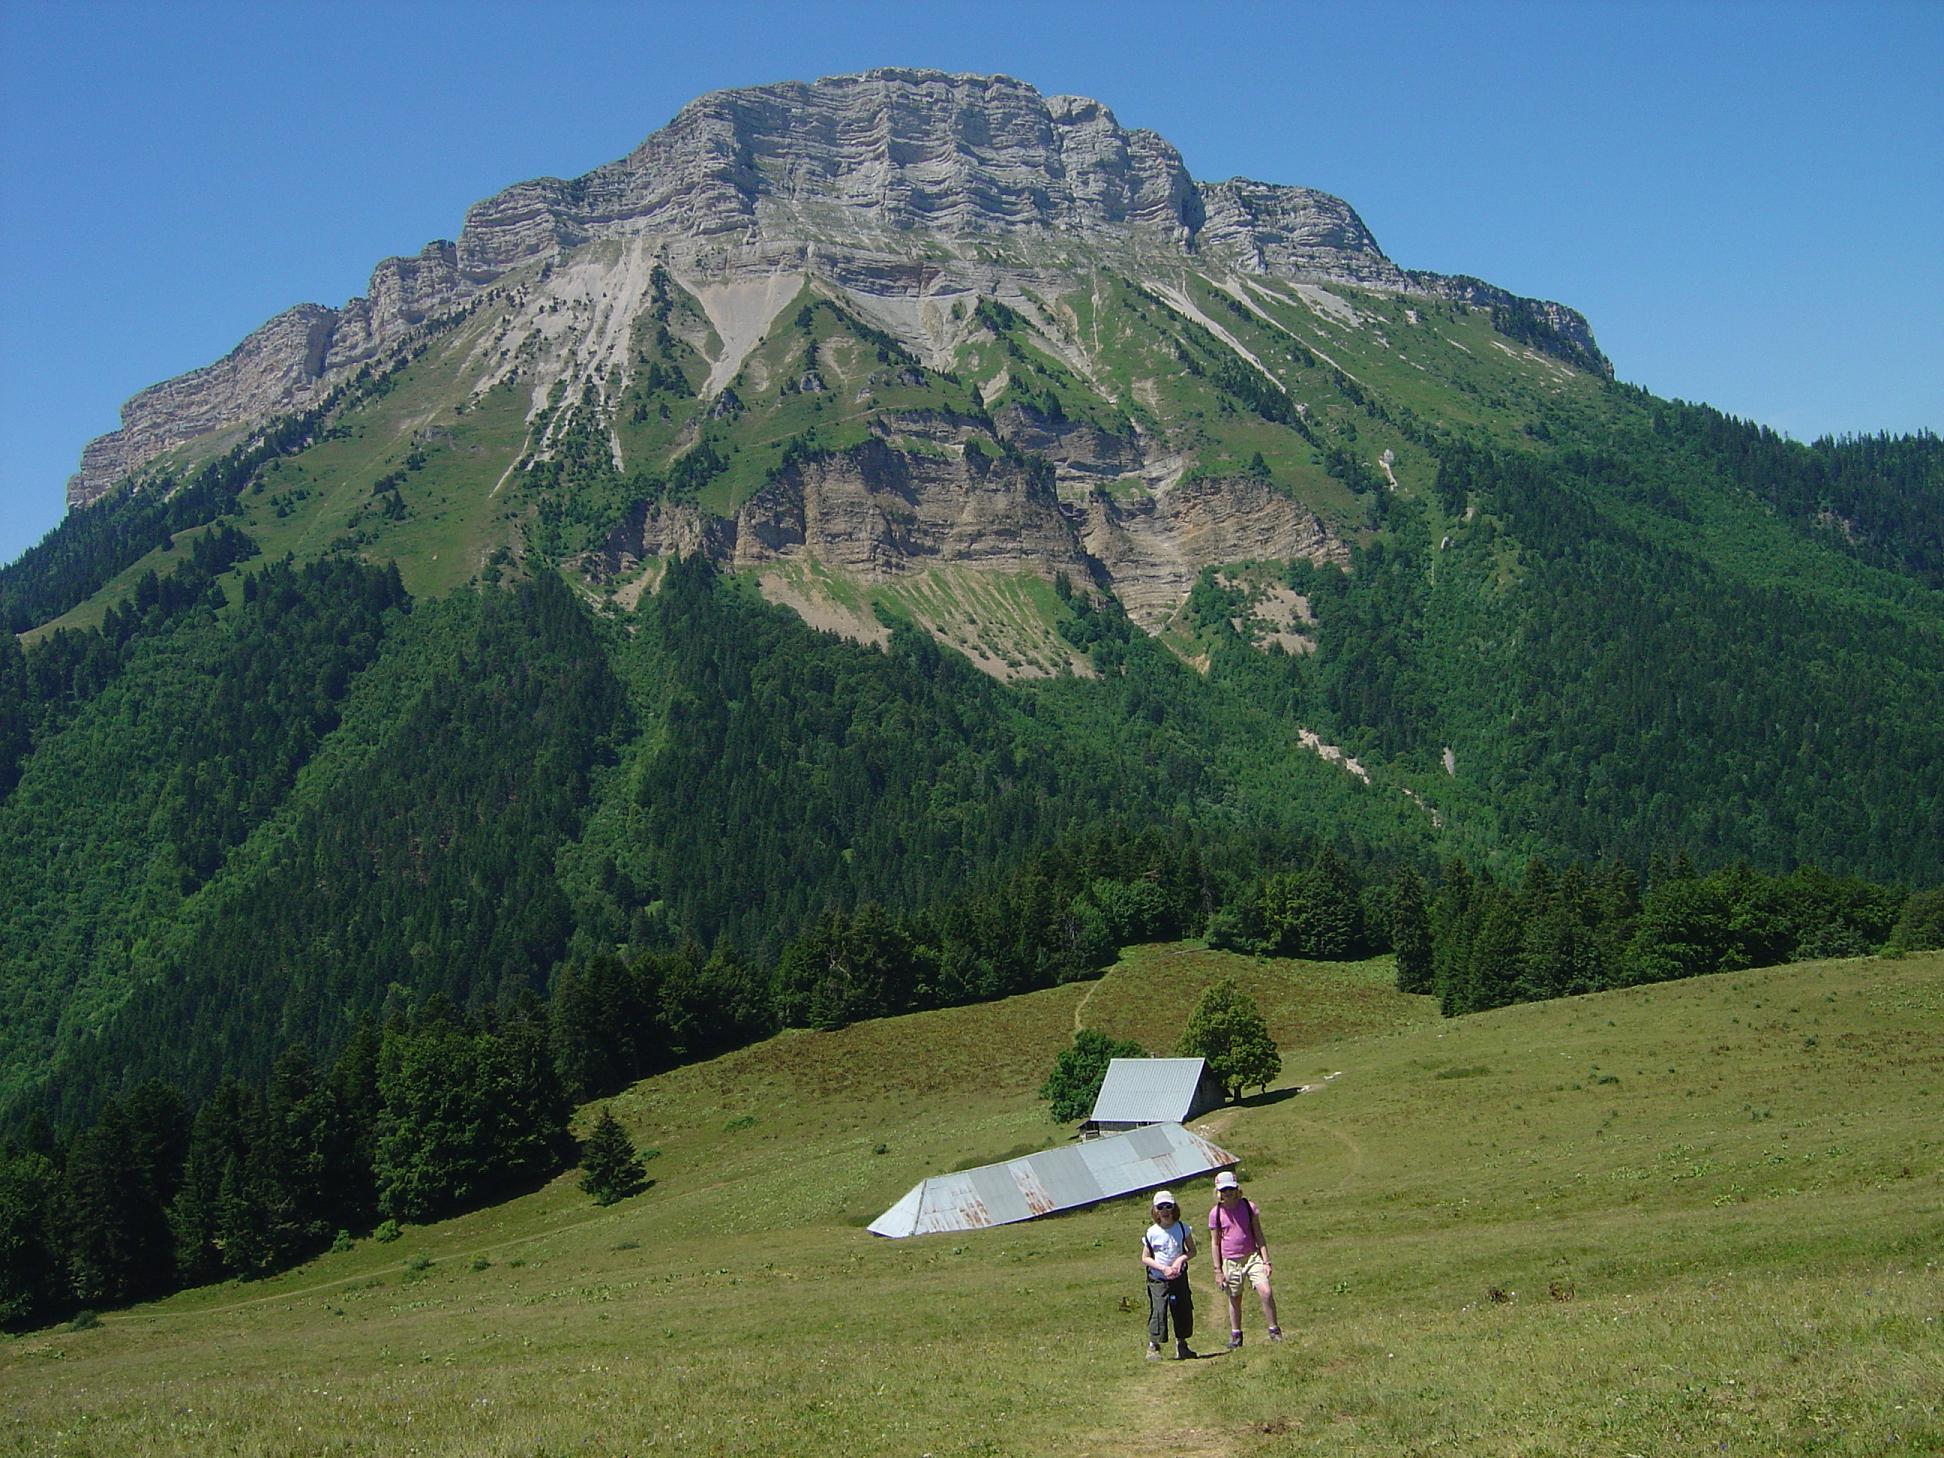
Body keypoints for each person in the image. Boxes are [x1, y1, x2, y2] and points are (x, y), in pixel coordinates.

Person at [1207, 1170, 1281, 1348]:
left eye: (1230, 1189)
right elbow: (1215, 1243)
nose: (1228, 1193)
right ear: (1219, 1192)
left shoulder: (1248, 1207)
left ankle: (1274, 1330)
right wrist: (1218, 1270)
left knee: (1266, 1291)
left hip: (1252, 1257)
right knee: (1235, 1298)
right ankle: (1236, 1335)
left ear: (1237, 1188)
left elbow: (1258, 1234)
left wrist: (1266, 1260)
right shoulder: (1216, 1213)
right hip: (1230, 1261)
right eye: (1224, 1190)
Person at [1139, 1189, 1197, 1360]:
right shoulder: (1152, 1232)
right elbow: (1145, 1258)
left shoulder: (1182, 1228)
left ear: (1173, 1207)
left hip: (1178, 1276)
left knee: (1182, 1308)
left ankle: (1182, 1345)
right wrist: (1162, 1268)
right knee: (1159, 1308)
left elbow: (1192, 1251)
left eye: (1168, 1206)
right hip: (1158, 1278)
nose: (1164, 1210)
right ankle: (1153, 1346)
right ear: (1155, 1210)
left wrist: (1180, 1261)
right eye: (1160, 1207)